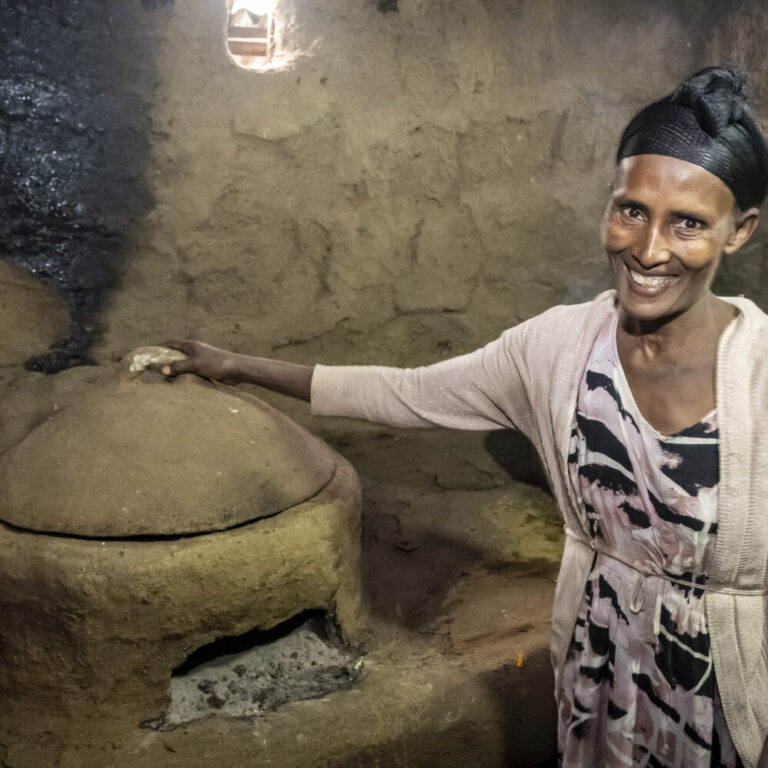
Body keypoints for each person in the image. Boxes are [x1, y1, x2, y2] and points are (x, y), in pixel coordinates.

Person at [161, 66, 768, 768]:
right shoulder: (557, 348)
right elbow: (407, 391)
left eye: (688, 223)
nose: (649, 248)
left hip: (726, 691)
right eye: (631, 209)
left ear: (740, 231)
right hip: (603, 674)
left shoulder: (757, 373)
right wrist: (239, 366)